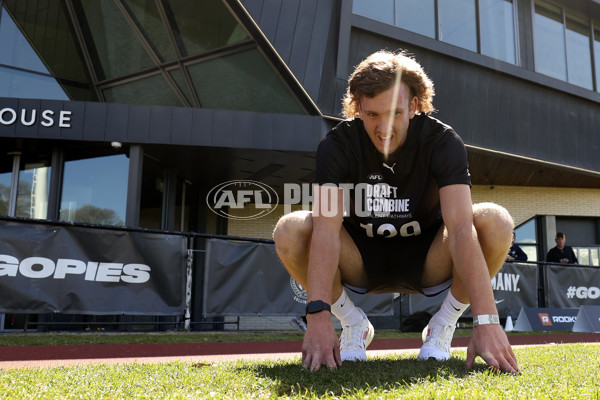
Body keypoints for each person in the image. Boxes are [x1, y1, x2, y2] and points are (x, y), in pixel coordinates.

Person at [273, 50, 519, 373]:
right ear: (358, 107)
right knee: (289, 230)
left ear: (414, 105)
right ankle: (352, 323)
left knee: (496, 222)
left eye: (394, 113)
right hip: (359, 259)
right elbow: (326, 229)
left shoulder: (442, 142)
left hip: (428, 258)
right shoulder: (337, 145)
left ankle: (442, 325)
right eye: (373, 114)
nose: (383, 128)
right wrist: (317, 316)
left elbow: (460, 229)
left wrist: (487, 321)